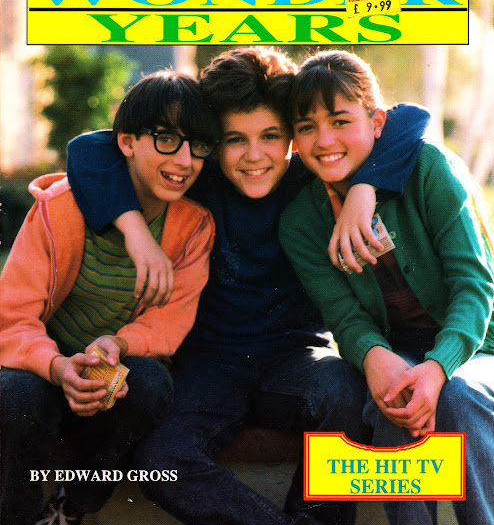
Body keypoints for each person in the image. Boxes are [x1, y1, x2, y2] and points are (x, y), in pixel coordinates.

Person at [64, 47, 430, 525]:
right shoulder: (199, 178)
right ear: (213, 142)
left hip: (297, 356)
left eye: (271, 136)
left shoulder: (312, 175)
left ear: (293, 137)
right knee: (160, 460)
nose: (254, 155)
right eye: (235, 139)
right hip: (207, 363)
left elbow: (411, 118)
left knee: (345, 396)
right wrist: (136, 232)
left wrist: (365, 190)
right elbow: (87, 147)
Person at [279, 50, 494, 525]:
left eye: (340, 121)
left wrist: (438, 367)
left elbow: (474, 285)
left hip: (480, 346)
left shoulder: (430, 168)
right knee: (394, 398)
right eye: (307, 127)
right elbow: (344, 316)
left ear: (377, 122)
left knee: (458, 397)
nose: (324, 140)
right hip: (398, 349)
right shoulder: (301, 220)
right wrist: (376, 358)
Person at [0, 71, 216, 525]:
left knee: (150, 385)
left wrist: (117, 343)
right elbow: (12, 316)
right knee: (14, 393)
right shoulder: (59, 208)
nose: (185, 160)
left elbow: (168, 321)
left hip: (109, 376)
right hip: (42, 370)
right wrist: (56, 367)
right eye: (166, 139)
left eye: (198, 145)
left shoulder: (193, 226)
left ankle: (71, 509)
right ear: (127, 142)